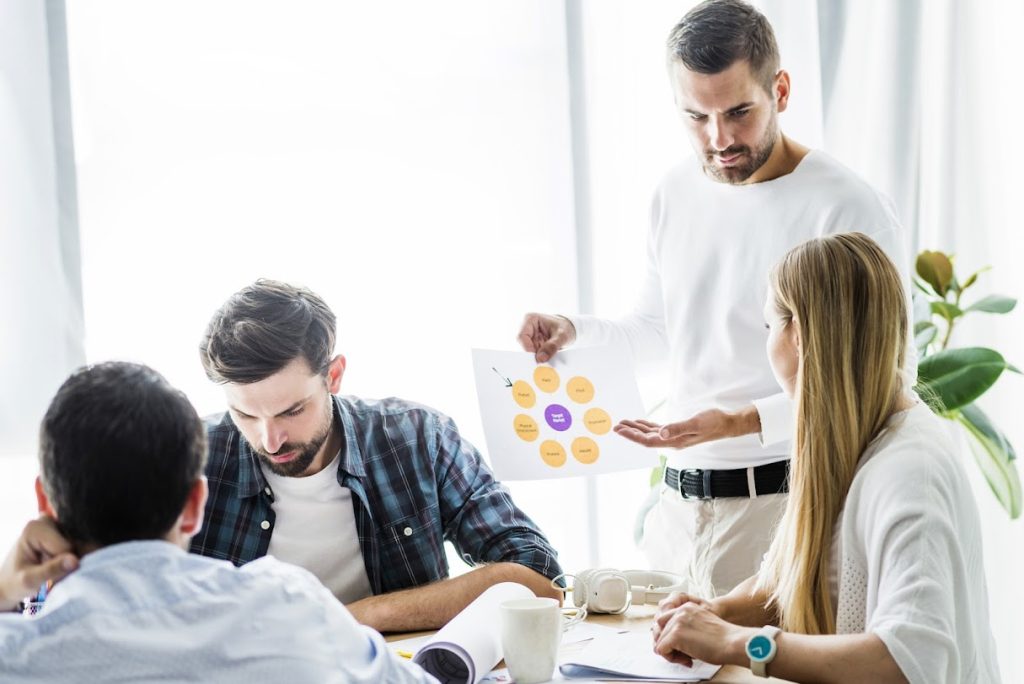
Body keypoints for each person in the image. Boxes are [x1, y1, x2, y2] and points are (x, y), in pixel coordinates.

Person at [517, 0, 913, 597]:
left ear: (780, 90)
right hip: (675, 513)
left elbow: (882, 380)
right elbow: (660, 331)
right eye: (696, 117)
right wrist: (572, 329)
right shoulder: (674, 192)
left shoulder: (847, 207)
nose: (719, 138)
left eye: (738, 113)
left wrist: (735, 423)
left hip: (784, 504)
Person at [650, 233, 1000, 683]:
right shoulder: (855, 441)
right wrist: (717, 614)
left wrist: (739, 643)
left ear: (797, 334)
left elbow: (909, 660)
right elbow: (790, 579)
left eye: (769, 327)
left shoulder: (911, 471)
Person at [0, 362, 436, 683]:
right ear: (195, 503)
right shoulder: (292, 607)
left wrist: (4, 592)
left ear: (45, 502)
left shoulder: (16, 655)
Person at [190, 279, 563, 632]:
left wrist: (355, 616)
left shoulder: (418, 438)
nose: (270, 441)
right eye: (246, 415)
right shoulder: (192, 459)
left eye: (293, 411)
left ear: (333, 376)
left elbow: (539, 578)